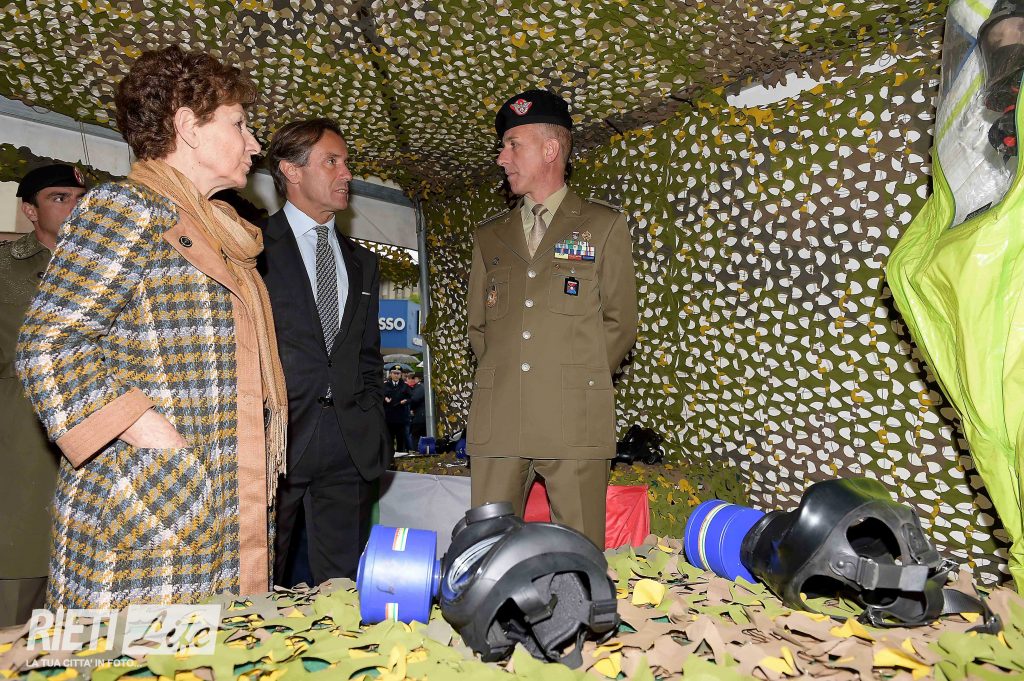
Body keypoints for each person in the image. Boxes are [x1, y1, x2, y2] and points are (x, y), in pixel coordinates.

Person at [16, 45, 286, 609]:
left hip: (213, 514)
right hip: (149, 516)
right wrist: (152, 436)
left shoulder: (215, 229)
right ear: (188, 126)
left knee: (210, 652)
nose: (254, 144)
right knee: (139, 658)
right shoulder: (125, 209)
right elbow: (48, 347)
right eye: (239, 124)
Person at [466, 89, 639, 549]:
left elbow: (620, 322)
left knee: (580, 556)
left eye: (512, 145)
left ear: (549, 149)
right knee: (488, 553)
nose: (502, 158)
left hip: (574, 421)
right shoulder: (490, 236)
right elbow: (479, 328)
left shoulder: (602, 225)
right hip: (500, 421)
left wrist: (578, 382)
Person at [260, 118, 389, 585]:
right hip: (276, 440)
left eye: (346, 162)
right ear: (291, 171)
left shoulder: (363, 261)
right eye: (332, 161)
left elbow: (367, 354)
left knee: (342, 588)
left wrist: (371, 413)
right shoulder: (252, 248)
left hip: (349, 444)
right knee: (259, 581)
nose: (347, 173)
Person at [0, 165, 87, 625]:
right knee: (16, 612)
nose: (75, 207)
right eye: (60, 197)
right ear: (30, 210)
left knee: (85, 635)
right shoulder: (5, 270)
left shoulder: (113, 269)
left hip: (99, 451)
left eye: (80, 198)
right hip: (23, 453)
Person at [383, 364, 412, 454]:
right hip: (389, 417)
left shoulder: (405, 386)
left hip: (401, 417)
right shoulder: (385, 385)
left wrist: (405, 401)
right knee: (389, 438)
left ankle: (400, 454)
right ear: (390, 374)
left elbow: (411, 398)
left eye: (398, 373)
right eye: (394, 373)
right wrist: (385, 399)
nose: (396, 375)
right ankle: (389, 456)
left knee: (401, 439)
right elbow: (379, 396)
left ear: (401, 375)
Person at [408, 372, 427, 452]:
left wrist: (409, 405)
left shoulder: (420, 387)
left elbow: (414, 399)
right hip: (423, 415)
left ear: (417, 379)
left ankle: (417, 451)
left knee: (416, 435)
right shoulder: (425, 386)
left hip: (419, 416)